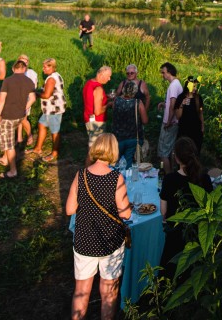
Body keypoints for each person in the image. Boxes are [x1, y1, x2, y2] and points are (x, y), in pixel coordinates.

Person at [65, 133, 131, 320]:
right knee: (109, 292)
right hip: (109, 242)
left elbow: (70, 209)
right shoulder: (116, 178)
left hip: (84, 240)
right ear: (113, 151)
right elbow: (125, 213)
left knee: (81, 290)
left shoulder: (81, 175)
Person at [159, 136, 213, 275]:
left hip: (175, 240)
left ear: (176, 158)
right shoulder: (204, 178)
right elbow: (211, 207)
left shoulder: (169, 180)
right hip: (199, 237)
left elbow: (163, 212)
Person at [0, 59, 35, 179]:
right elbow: (32, 99)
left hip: (8, 115)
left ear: (13, 69)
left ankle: (13, 171)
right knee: (11, 138)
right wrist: (24, 108)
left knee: (9, 144)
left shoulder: (8, 80)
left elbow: (1, 99)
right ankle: (5, 159)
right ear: (25, 69)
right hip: (20, 115)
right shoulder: (29, 81)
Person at [110, 75, 148, 168]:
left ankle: (116, 179)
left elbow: (114, 115)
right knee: (129, 163)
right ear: (135, 91)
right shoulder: (138, 103)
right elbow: (145, 121)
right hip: (133, 138)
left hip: (117, 137)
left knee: (116, 162)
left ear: (123, 90)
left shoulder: (116, 100)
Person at [31, 58, 65, 161]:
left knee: (55, 131)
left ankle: (55, 153)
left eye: (45, 67)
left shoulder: (51, 79)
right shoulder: (55, 75)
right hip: (48, 109)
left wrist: (35, 93)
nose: (43, 69)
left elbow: (46, 95)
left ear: (52, 67)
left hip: (53, 109)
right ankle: (38, 148)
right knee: (41, 124)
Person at [157, 62, 182, 174]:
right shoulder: (177, 84)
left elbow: (173, 104)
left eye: (164, 72)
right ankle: (172, 173)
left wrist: (168, 121)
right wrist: (164, 103)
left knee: (163, 152)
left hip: (170, 123)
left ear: (169, 72)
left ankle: (167, 176)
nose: (162, 75)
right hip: (175, 122)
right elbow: (172, 103)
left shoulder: (173, 85)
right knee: (171, 150)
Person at [82, 66, 112, 151]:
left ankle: (92, 164)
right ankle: (89, 164)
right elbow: (98, 111)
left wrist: (106, 97)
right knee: (94, 150)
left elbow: (92, 99)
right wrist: (108, 105)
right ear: (101, 75)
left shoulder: (89, 83)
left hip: (89, 119)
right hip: (97, 122)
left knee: (95, 148)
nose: (109, 79)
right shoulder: (98, 89)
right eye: (108, 76)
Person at [174, 76, 205, 154]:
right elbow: (178, 116)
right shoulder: (181, 98)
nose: (195, 88)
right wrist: (182, 104)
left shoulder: (198, 98)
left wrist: (202, 127)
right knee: (183, 152)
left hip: (196, 131)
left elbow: (201, 112)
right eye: (193, 86)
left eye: (196, 86)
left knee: (195, 153)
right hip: (184, 131)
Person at [16, 54, 37, 145]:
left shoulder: (32, 73)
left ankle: (29, 136)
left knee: (23, 118)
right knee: (19, 119)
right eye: (22, 60)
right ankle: (19, 137)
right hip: (17, 97)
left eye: (26, 61)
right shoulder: (17, 71)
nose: (24, 62)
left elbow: (33, 87)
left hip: (27, 98)